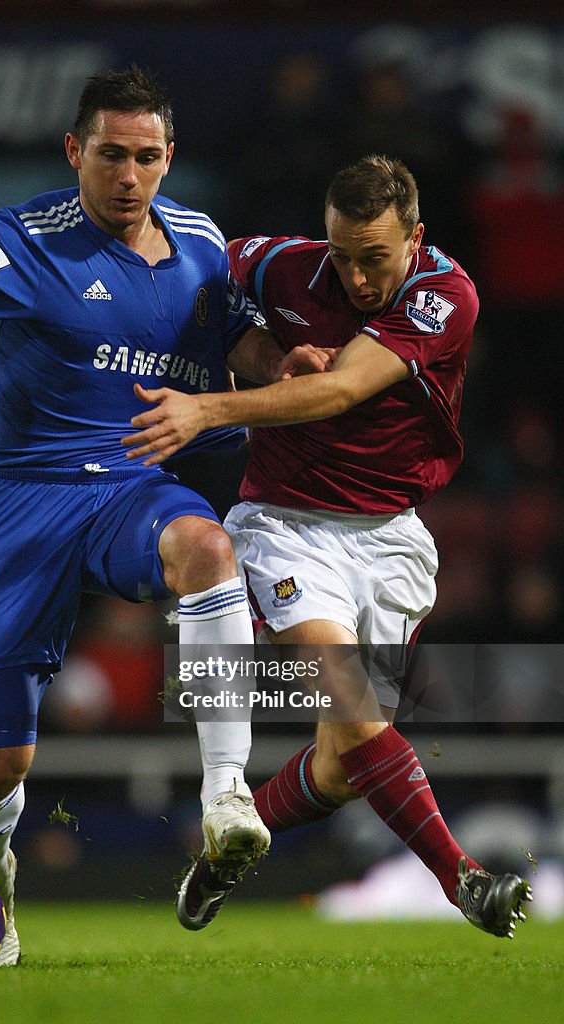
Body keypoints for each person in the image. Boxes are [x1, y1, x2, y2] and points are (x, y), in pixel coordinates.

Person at [0, 65, 328, 965]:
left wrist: (277, 361)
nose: (128, 175)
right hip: (21, 500)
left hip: (131, 482)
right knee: (2, 762)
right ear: (76, 152)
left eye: (147, 157)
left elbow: (234, 337)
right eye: (111, 155)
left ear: (169, 158)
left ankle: (225, 795)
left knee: (207, 546)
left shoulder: (203, 242)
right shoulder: (21, 238)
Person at [122, 154, 534, 938]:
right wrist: (248, 350)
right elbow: (195, 260)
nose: (353, 276)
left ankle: (221, 855)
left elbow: (343, 387)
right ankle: (464, 880)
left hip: (391, 540)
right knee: (351, 707)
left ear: (415, 237)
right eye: (340, 254)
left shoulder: (447, 296)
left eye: (373, 257)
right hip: (285, 525)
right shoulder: (281, 264)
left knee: (345, 766)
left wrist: (209, 409)